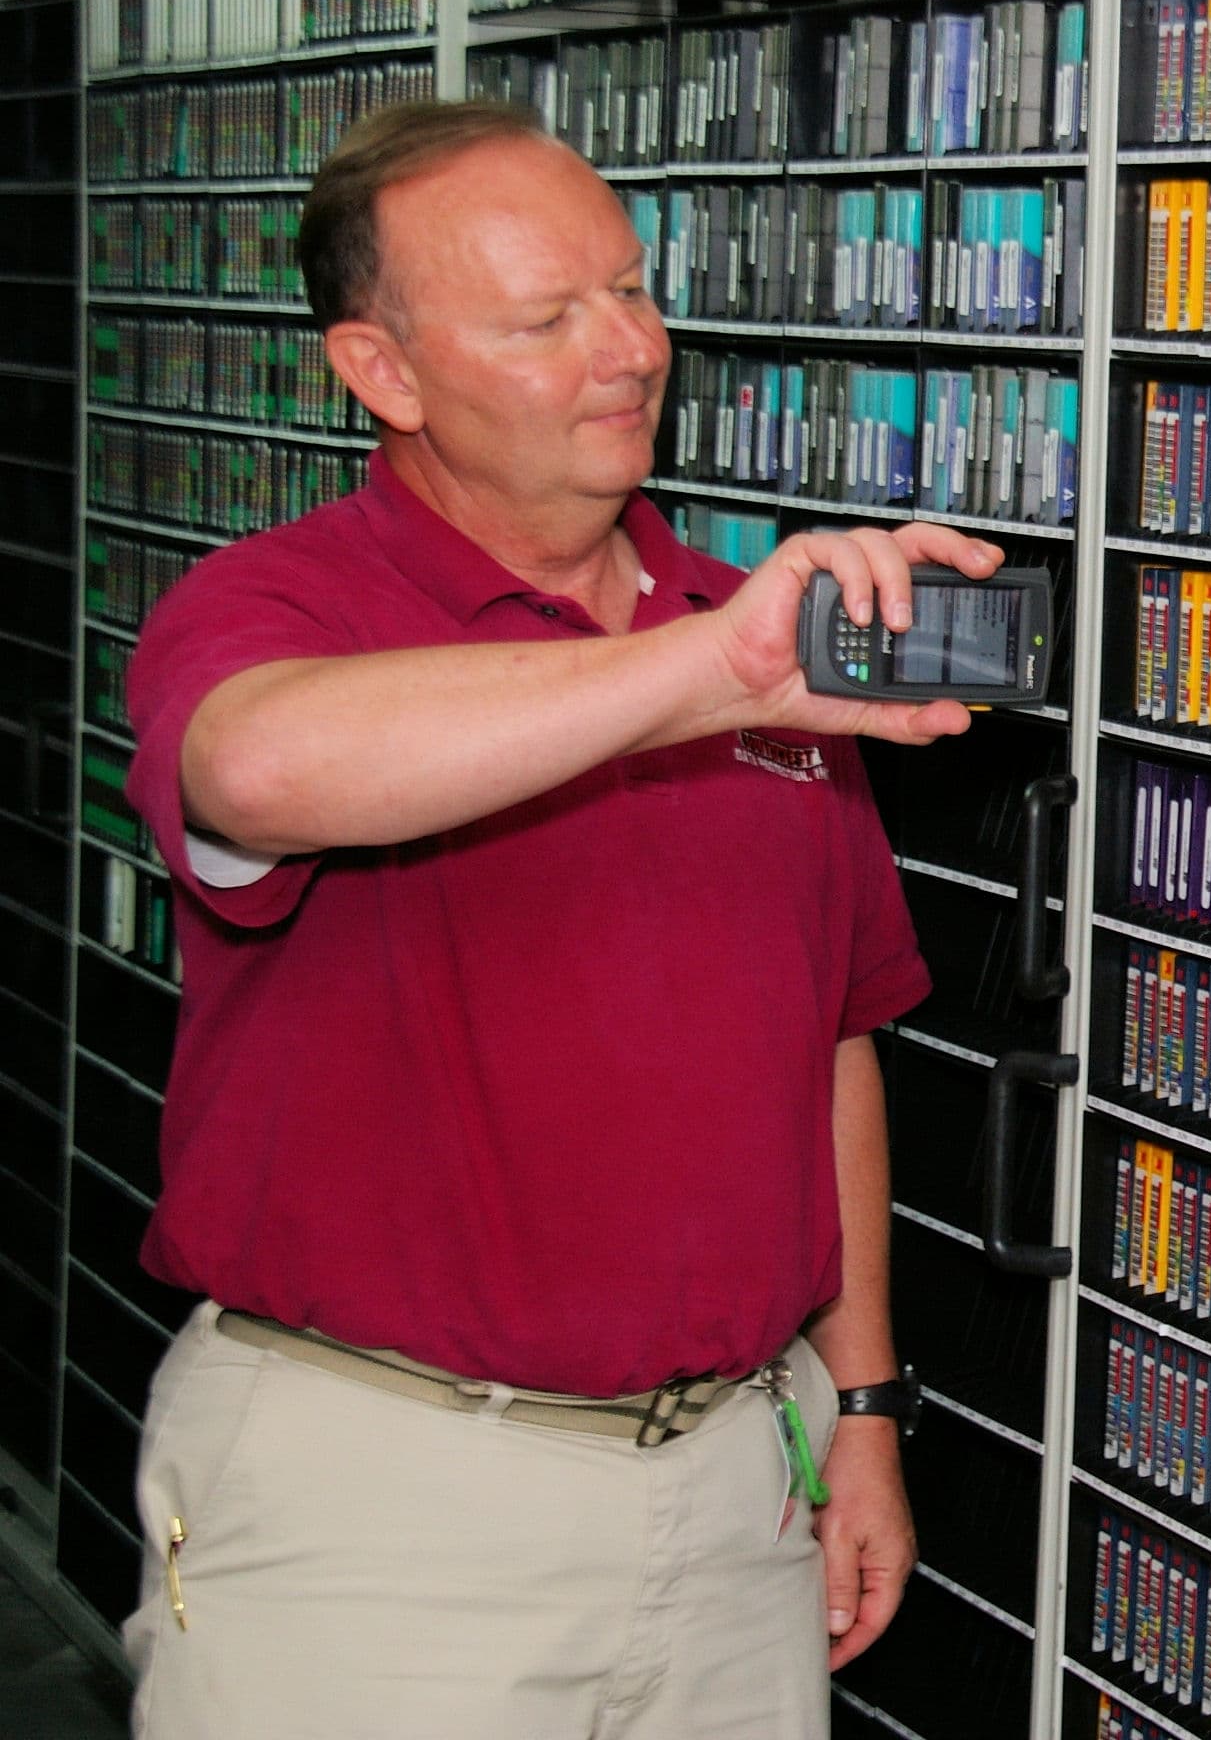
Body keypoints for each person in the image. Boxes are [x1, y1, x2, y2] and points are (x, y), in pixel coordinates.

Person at [116, 99, 993, 1737]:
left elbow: (831, 1047)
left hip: (741, 1489)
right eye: (545, 319)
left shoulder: (747, 631)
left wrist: (860, 1406)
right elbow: (254, 765)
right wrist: (708, 672)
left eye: (635, 290)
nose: (629, 351)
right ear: (381, 372)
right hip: (383, 1509)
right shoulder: (275, 610)